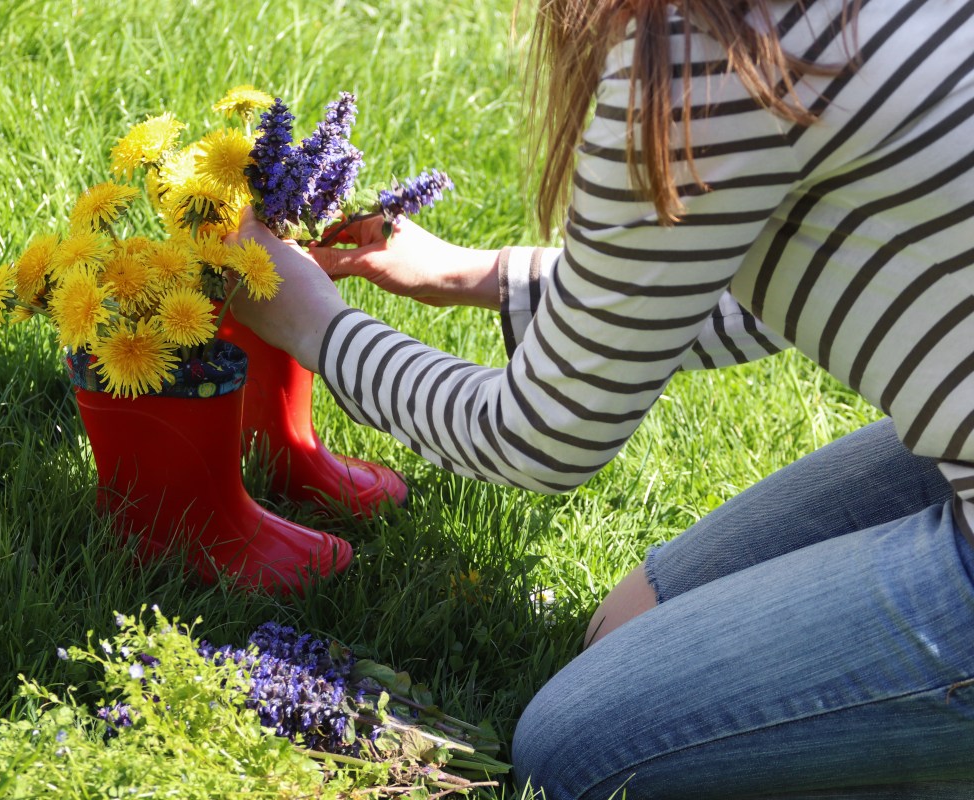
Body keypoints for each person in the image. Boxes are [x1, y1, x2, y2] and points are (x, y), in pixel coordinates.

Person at [229, 0, 974, 795]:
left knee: (575, 756)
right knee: (622, 627)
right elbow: (811, 277)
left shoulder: (710, 48)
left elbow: (541, 436)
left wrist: (314, 325)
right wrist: (477, 276)